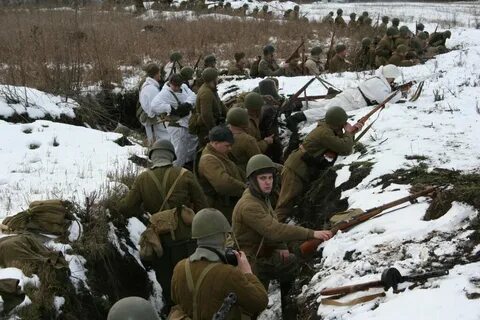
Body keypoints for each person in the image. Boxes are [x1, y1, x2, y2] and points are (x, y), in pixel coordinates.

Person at [232, 154, 333, 318]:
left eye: (270, 177)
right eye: (263, 178)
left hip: (261, 253)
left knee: (291, 263)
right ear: (252, 180)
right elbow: (274, 229)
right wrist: (311, 233)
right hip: (250, 260)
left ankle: (289, 312)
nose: (268, 182)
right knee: (252, 306)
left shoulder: (261, 197)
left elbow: (272, 224)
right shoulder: (249, 205)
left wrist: (282, 247)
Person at [118, 140, 208, 315]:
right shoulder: (184, 174)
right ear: (172, 156)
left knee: (168, 283)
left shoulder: (143, 179)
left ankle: (174, 313)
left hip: (159, 241)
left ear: (152, 156)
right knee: (192, 279)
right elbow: (203, 205)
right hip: (186, 238)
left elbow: (127, 208)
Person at [170, 208, 268, 320]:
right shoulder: (228, 273)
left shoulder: (180, 268)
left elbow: (175, 299)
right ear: (222, 237)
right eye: (226, 236)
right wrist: (247, 273)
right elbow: (260, 302)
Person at [275, 107, 363, 221]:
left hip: (300, 169)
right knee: (284, 205)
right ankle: (272, 232)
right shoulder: (324, 132)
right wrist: (348, 132)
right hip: (295, 170)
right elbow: (345, 148)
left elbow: (342, 142)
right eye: (343, 124)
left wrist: (352, 132)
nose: (344, 125)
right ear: (337, 124)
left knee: (291, 203)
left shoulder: (327, 129)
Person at [286, 65, 405, 140]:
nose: (392, 81)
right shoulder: (379, 84)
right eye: (392, 79)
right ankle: (297, 117)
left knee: (323, 105)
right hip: (352, 102)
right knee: (326, 111)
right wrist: (399, 92)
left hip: (350, 95)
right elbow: (386, 99)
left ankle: (299, 105)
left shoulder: (377, 79)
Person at [198, 126, 246, 222]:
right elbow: (223, 184)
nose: (230, 148)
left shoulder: (219, 153)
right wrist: (246, 189)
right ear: (215, 143)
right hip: (220, 208)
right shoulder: (208, 160)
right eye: (227, 146)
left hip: (228, 204)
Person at [150, 74, 198, 167]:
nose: (176, 87)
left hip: (187, 121)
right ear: (170, 83)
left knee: (191, 146)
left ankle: (188, 165)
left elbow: (193, 96)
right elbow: (154, 105)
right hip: (176, 125)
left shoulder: (183, 87)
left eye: (178, 85)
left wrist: (188, 104)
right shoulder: (165, 93)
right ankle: (175, 169)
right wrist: (170, 108)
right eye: (174, 85)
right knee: (179, 150)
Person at [191, 68, 227, 148]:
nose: (218, 79)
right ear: (212, 79)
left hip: (210, 126)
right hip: (206, 129)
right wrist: (214, 131)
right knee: (206, 150)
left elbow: (219, 104)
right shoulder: (206, 93)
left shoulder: (211, 89)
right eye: (216, 78)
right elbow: (206, 115)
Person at [139, 63, 169, 145]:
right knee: (160, 143)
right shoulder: (151, 89)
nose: (160, 75)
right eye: (159, 73)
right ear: (155, 74)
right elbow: (154, 107)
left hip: (153, 120)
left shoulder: (148, 85)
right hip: (154, 121)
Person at [226, 107, 262, 174]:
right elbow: (258, 161)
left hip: (230, 170)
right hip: (245, 172)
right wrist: (265, 142)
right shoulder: (248, 140)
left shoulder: (223, 133)